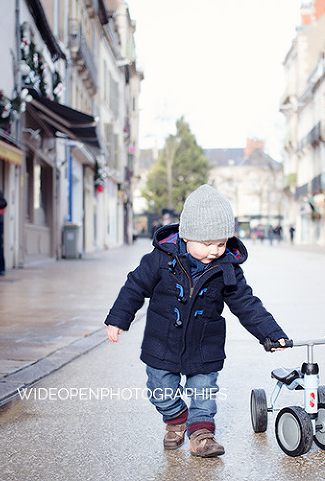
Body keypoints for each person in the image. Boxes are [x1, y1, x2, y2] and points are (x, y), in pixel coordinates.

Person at [104, 184, 288, 458]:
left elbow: (246, 303)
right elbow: (135, 286)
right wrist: (118, 318)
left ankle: (201, 434)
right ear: (186, 236)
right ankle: (176, 417)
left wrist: (270, 333)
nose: (215, 251)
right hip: (161, 342)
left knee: (203, 393)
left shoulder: (227, 268)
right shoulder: (160, 259)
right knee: (160, 391)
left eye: (221, 243)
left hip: (205, 344)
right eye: (207, 244)